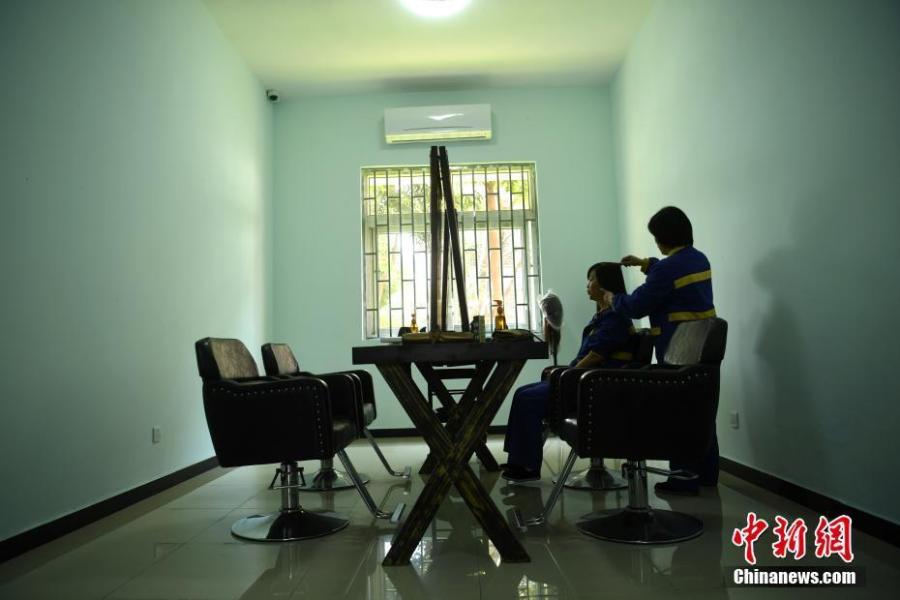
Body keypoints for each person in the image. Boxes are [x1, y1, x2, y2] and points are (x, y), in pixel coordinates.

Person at [602, 206, 717, 495]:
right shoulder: (699, 259)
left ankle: (683, 479)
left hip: (679, 350)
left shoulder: (667, 269)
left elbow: (636, 306)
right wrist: (645, 263)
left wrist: (613, 299)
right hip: (705, 348)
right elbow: (671, 273)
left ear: (662, 238)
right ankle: (706, 474)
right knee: (702, 411)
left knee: (679, 413)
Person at [502, 262, 637, 482]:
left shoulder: (616, 317)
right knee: (522, 392)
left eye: (591, 279)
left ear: (605, 284)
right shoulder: (602, 317)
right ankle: (519, 460)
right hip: (582, 381)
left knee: (528, 399)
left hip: (595, 387)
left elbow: (595, 356)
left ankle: (526, 466)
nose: (587, 284)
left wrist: (567, 374)